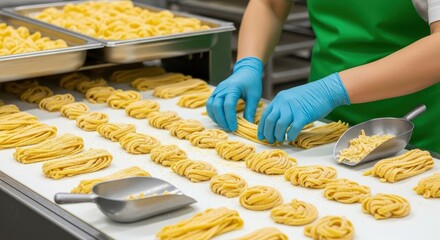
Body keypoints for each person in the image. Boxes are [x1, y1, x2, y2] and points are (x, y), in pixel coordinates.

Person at [206, 0, 440, 153]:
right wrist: (248, 63)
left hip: (413, 127)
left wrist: (332, 90)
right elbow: (270, 5)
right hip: (322, 126)